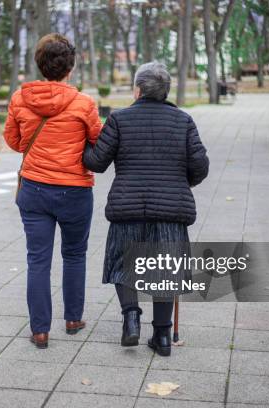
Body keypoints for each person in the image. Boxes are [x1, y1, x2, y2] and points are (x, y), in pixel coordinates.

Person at [83, 61, 209, 357]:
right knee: (165, 268)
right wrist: (181, 181)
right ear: (165, 91)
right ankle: (162, 337)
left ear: (137, 90)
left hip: (128, 206)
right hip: (170, 210)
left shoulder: (119, 119)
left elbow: (97, 162)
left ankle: (131, 319)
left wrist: (80, 145)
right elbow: (200, 167)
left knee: (122, 262)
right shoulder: (183, 120)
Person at [3, 33, 102, 349]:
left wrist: (34, 147)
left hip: (34, 190)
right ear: (70, 68)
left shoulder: (20, 98)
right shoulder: (84, 103)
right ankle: (73, 318)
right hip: (74, 191)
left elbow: (14, 140)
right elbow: (97, 140)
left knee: (38, 261)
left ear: (40, 65)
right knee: (74, 255)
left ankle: (40, 331)